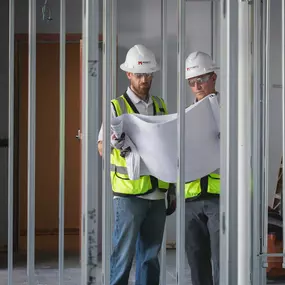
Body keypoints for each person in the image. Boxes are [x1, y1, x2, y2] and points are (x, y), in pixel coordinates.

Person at [97, 44, 176, 285]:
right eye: (139, 74)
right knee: (123, 256)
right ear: (128, 74)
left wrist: (171, 189)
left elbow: (169, 148)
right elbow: (101, 147)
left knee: (150, 257)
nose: (144, 79)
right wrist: (116, 145)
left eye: (148, 74)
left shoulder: (161, 106)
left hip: (156, 195)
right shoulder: (116, 107)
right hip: (129, 195)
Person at [184, 51, 220, 285]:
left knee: (223, 259)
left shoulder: (231, 112)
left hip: (222, 196)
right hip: (192, 198)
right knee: (196, 259)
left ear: (213, 77)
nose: (197, 86)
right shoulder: (186, 117)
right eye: (192, 82)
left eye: (202, 79)